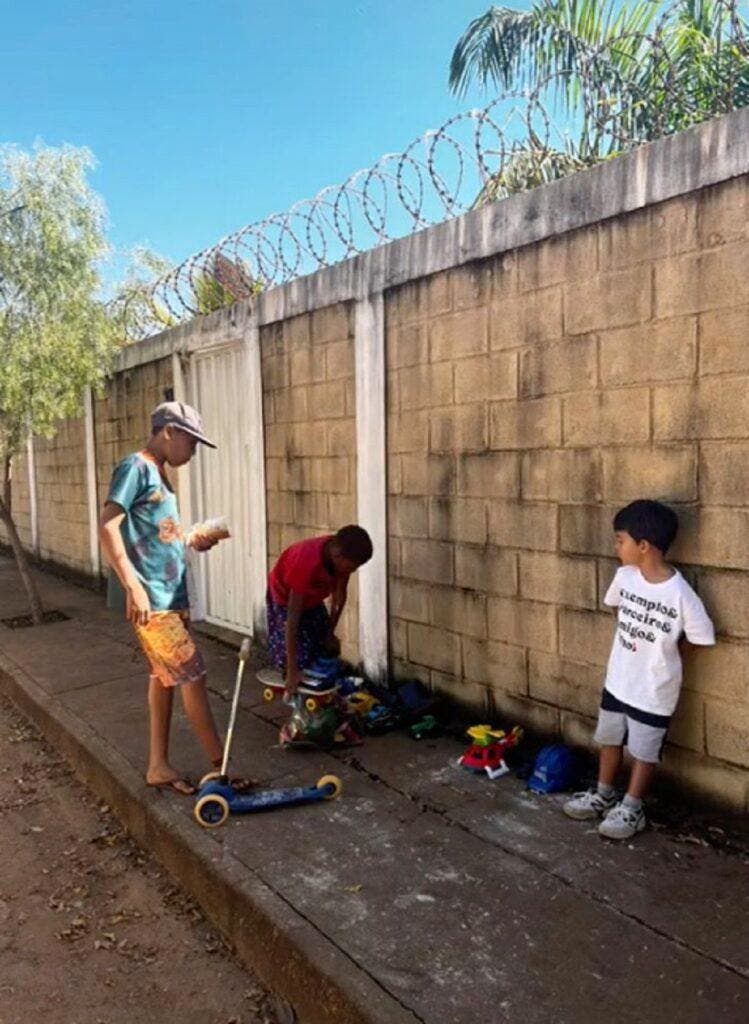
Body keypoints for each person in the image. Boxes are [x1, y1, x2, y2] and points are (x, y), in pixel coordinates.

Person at [99, 401, 242, 795]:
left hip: (169, 597)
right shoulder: (136, 467)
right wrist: (133, 585)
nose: (193, 451)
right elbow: (108, 526)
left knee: (163, 679)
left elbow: (155, 536)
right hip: (154, 602)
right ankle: (221, 767)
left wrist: (191, 538)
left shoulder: (158, 474)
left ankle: (157, 765)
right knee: (193, 675)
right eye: (191, 442)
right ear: (167, 432)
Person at [563, 499, 715, 840]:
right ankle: (604, 793)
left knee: (644, 752)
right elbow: (616, 607)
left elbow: (702, 637)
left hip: (653, 691)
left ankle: (632, 807)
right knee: (610, 739)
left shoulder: (680, 594)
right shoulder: (625, 577)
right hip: (618, 681)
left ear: (643, 546)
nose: (616, 547)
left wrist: (666, 654)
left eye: (620, 540)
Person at [267, 526, 373, 697]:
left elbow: (339, 598)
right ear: (338, 556)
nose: (352, 571)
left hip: (312, 598)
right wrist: (292, 670)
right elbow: (292, 623)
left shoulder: (342, 558)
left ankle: (321, 690)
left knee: (325, 646)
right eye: (352, 567)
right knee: (300, 654)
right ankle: (293, 686)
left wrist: (330, 632)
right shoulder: (305, 562)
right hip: (285, 599)